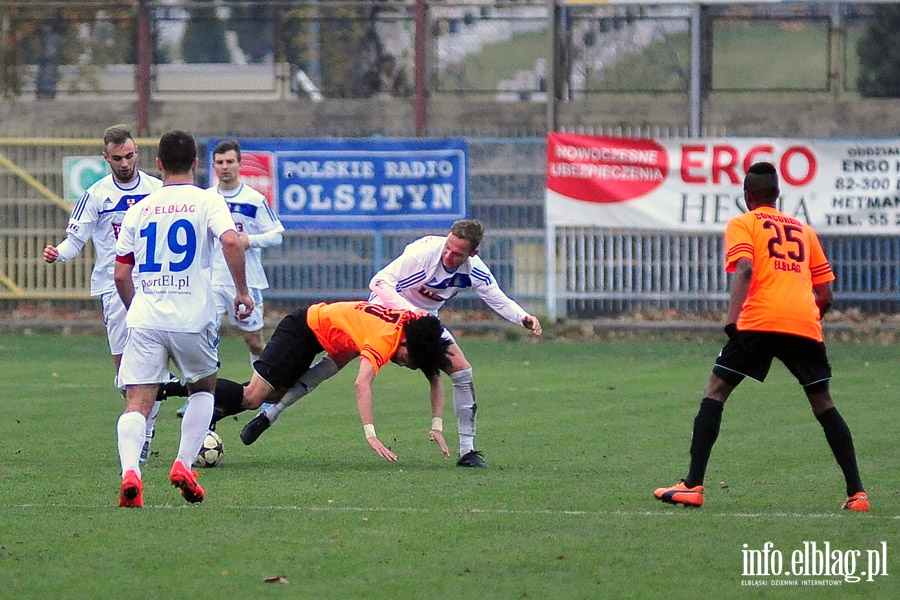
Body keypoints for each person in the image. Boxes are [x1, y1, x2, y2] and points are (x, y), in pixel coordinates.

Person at [653, 162, 869, 512]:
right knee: (824, 404)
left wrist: (731, 320)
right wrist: (808, 318)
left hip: (759, 320)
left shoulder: (743, 223)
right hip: (803, 321)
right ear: (778, 195)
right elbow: (826, 294)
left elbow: (746, 268)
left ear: (747, 196)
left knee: (716, 391)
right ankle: (857, 494)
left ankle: (692, 485)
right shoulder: (804, 230)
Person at [240, 219, 542, 467]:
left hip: (422, 323)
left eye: (457, 253)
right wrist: (412, 314)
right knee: (333, 365)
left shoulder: (474, 270)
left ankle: (467, 450)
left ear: (472, 254)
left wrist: (522, 317)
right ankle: (269, 414)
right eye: (448, 247)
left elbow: (495, 296)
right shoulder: (424, 254)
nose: (449, 255)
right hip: (386, 313)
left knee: (461, 371)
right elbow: (379, 282)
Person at [113, 129, 253, 508]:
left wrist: (137, 311)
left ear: (157, 165)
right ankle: (182, 465)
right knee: (203, 389)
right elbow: (228, 241)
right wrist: (242, 292)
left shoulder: (139, 208)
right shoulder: (207, 201)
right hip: (192, 318)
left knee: (137, 403)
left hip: (146, 318)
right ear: (196, 164)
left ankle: (131, 473)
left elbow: (121, 275)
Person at [42, 124, 179, 463]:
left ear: (138, 154)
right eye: (117, 158)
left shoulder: (157, 189)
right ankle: (154, 405)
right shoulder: (96, 195)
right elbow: (75, 240)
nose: (124, 162)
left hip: (153, 284)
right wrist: (58, 253)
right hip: (113, 286)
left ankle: (144, 435)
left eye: (129, 155)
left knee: (151, 363)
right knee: (125, 374)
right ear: (106, 158)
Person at [211, 301, 452, 462]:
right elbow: (361, 384)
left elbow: (435, 377)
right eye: (407, 360)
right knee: (254, 397)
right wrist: (371, 434)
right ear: (406, 343)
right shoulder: (384, 339)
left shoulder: (416, 324)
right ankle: (185, 388)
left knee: (273, 394)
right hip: (302, 328)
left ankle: (246, 412)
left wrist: (437, 426)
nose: (403, 364)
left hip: (332, 339)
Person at [175, 139, 284, 417]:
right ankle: (199, 398)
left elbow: (276, 234)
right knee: (203, 337)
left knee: (254, 342)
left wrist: (251, 239)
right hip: (210, 282)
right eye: (220, 162)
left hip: (246, 282)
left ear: (239, 164)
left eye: (230, 162)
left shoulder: (254, 199)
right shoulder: (206, 199)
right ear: (213, 166)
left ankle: (265, 391)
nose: (225, 167)